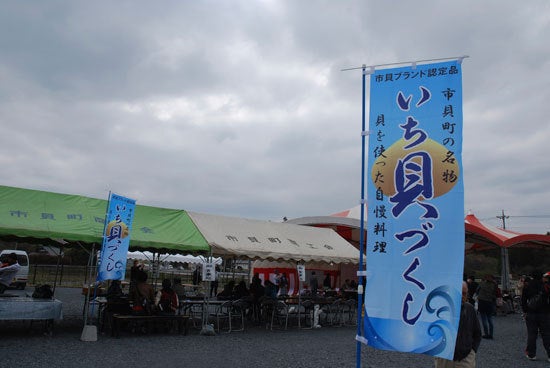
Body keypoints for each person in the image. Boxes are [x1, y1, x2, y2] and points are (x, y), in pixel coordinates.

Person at [434, 281, 482, 368]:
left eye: (464, 294)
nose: (462, 296)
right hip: (444, 357)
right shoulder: (441, 309)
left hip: (465, 357)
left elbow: (477, 333)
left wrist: (473, 351)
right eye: (459, 293)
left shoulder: (470, 309)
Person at [521, 271, 550, 361]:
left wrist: (525, 311)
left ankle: (531, 354)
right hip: (544, 313)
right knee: (546, 334)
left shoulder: (528, 286)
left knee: (532, 334)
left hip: (531, 313)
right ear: (541, 276)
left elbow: (523, 300)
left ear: (532, 276)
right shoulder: (546, 286)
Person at [476, 274, 498, 339]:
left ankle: (486, 334)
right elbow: (496, 293)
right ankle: (491, 334)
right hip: (490, 302)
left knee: (483, 318)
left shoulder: (482, 284)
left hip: (482, 301)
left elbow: (477, 291)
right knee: (490, 318)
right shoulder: (494, 285)